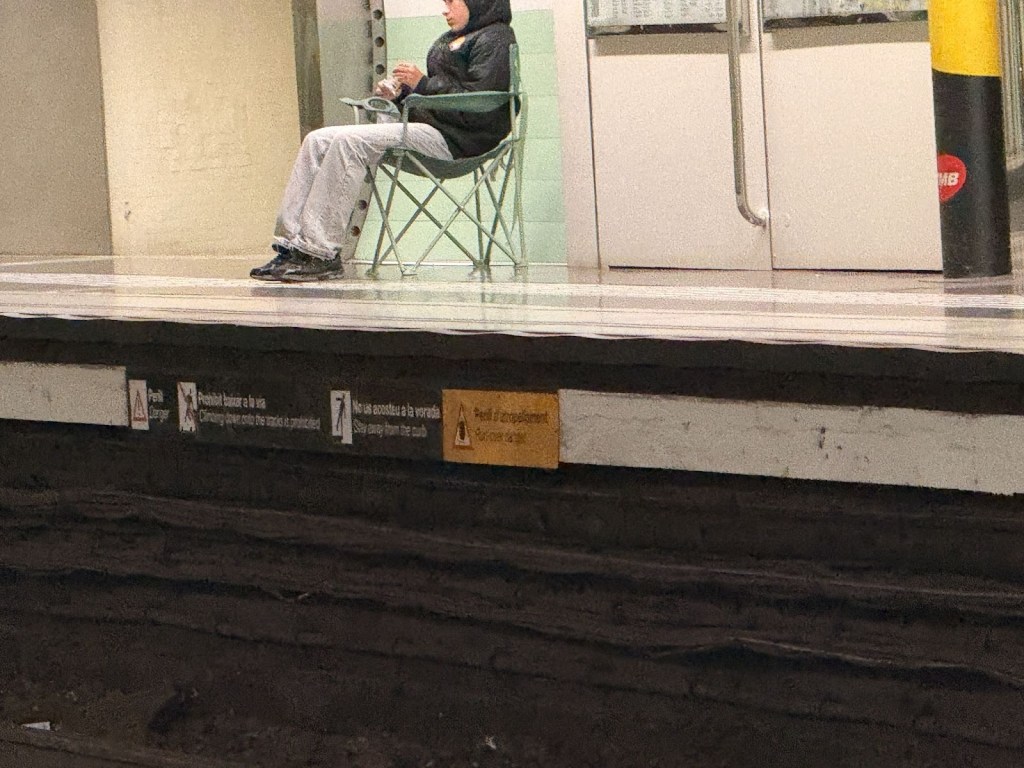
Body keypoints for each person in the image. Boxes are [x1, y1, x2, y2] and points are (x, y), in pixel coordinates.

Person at [251, 0, 516, 282]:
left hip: (458, 141)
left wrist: (422, 84)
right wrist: (400, 95)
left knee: (350, 142)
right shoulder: (454, 37)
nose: (445, 10)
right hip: (432, 127)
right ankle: (292, 247)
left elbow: (478, 102)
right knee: (317, 139)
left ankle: (320, 252)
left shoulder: (496, 38)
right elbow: (440, 100)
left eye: (452, 2)